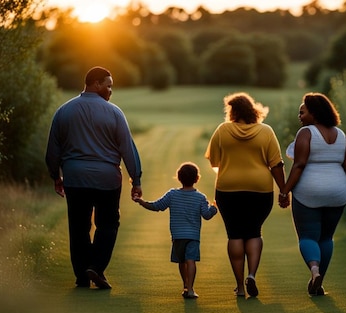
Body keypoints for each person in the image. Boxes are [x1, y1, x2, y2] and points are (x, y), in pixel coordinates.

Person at [45, 66, 143, 289]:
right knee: (108, 224)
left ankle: (82, 276)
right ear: (96, 84)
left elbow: (53, 150)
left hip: (75, 179)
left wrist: (55, 175)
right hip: (107, 180)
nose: (110, 91)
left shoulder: (64, 111)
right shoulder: (114, 113)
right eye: (108, 85)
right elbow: (128, 149)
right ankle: (96, 267)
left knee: (78, 227)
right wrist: (135, 180)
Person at [205, 92, 287, 298]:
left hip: (228, 189)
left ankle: (240, 287)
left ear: (233, 112)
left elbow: (213, 161)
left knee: (234, 234)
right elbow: (276, 164)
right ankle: (251, 274)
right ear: (252, 110)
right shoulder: (266, 131)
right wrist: (284, 190)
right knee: (254, 232)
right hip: (260, 190)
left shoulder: (223, 130)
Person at [278, 92, 346, 296]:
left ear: (314, 114)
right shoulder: (342, 136)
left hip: (309, 192)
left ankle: (314, 270)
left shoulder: (306, 133)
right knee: (326, 238)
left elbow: (299, 164)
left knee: (307, 236)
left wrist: (284, 190)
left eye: (302, 112)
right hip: (338, 192)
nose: (299, 116)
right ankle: (319, 281)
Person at [132, 162, 218, 299]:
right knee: (191, 260)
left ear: (178, 178)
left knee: (181, 261)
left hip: (177, 236)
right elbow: (207, 215)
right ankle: (190, 289)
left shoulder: (172, 194)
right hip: (193, 236)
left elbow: (156, 206)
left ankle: (185, 285)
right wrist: (214, 207)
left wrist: (141, 201)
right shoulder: (200, 197)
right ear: (197, 179)